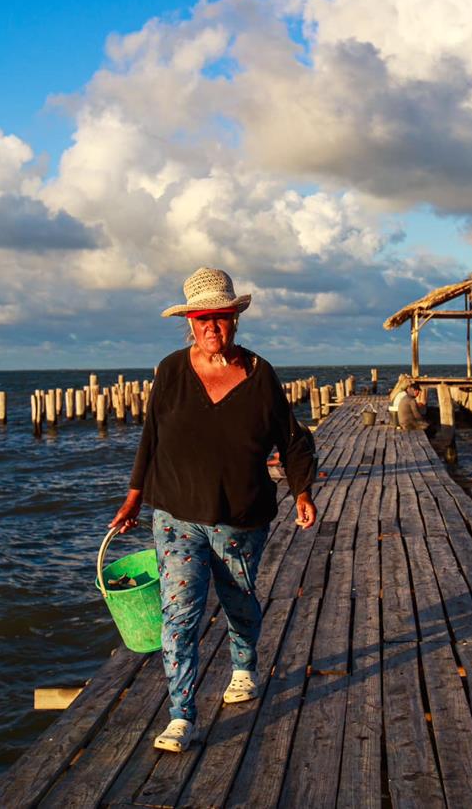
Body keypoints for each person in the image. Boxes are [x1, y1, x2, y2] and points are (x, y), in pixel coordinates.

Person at [109, 266, 318, 753]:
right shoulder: (171, 370)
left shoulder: (261, 375)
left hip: (241, 519)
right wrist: (134, 496)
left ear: (235, 320)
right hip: (176, 515)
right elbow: (151, 438)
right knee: (179, 614)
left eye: (220, 319)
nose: (211, 329)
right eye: (202, 320)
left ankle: (244, 667)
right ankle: (183, 715)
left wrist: (302, 493)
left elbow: (293, 442)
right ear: (190, 323)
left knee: (239, 600)